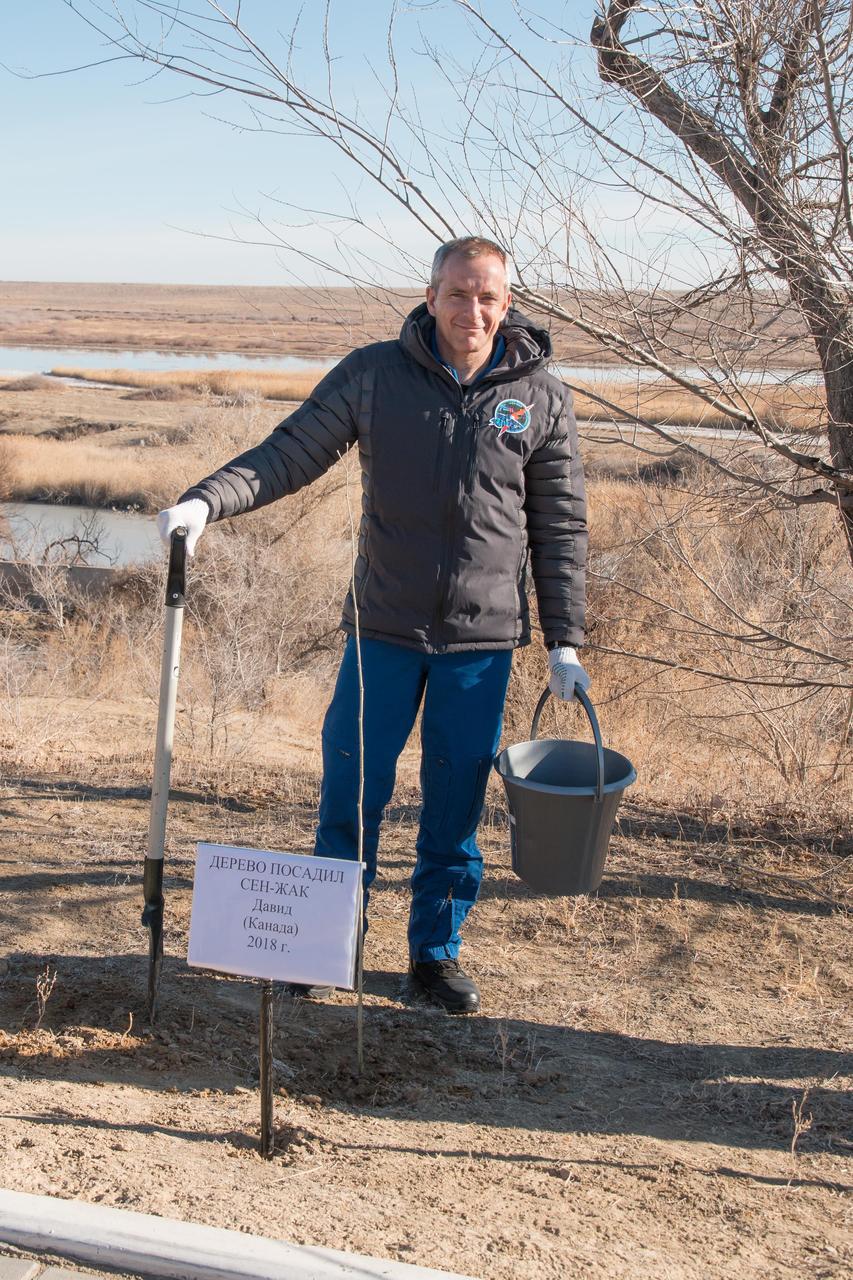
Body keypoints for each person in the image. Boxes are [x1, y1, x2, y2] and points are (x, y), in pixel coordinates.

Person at [158, 236, 588, 1014]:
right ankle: (327, 944)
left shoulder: (541, 396)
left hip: (479, 644)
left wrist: (565, 638)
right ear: (430, 297)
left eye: (488, 296)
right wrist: (205, 501)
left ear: (508, 300)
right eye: (457, 294)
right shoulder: (374, 375)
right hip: (380, 632)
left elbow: (559, 527)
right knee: (352, 794)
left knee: (454, 805)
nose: (472, 310)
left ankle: (433, 956)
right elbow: (288, 452)